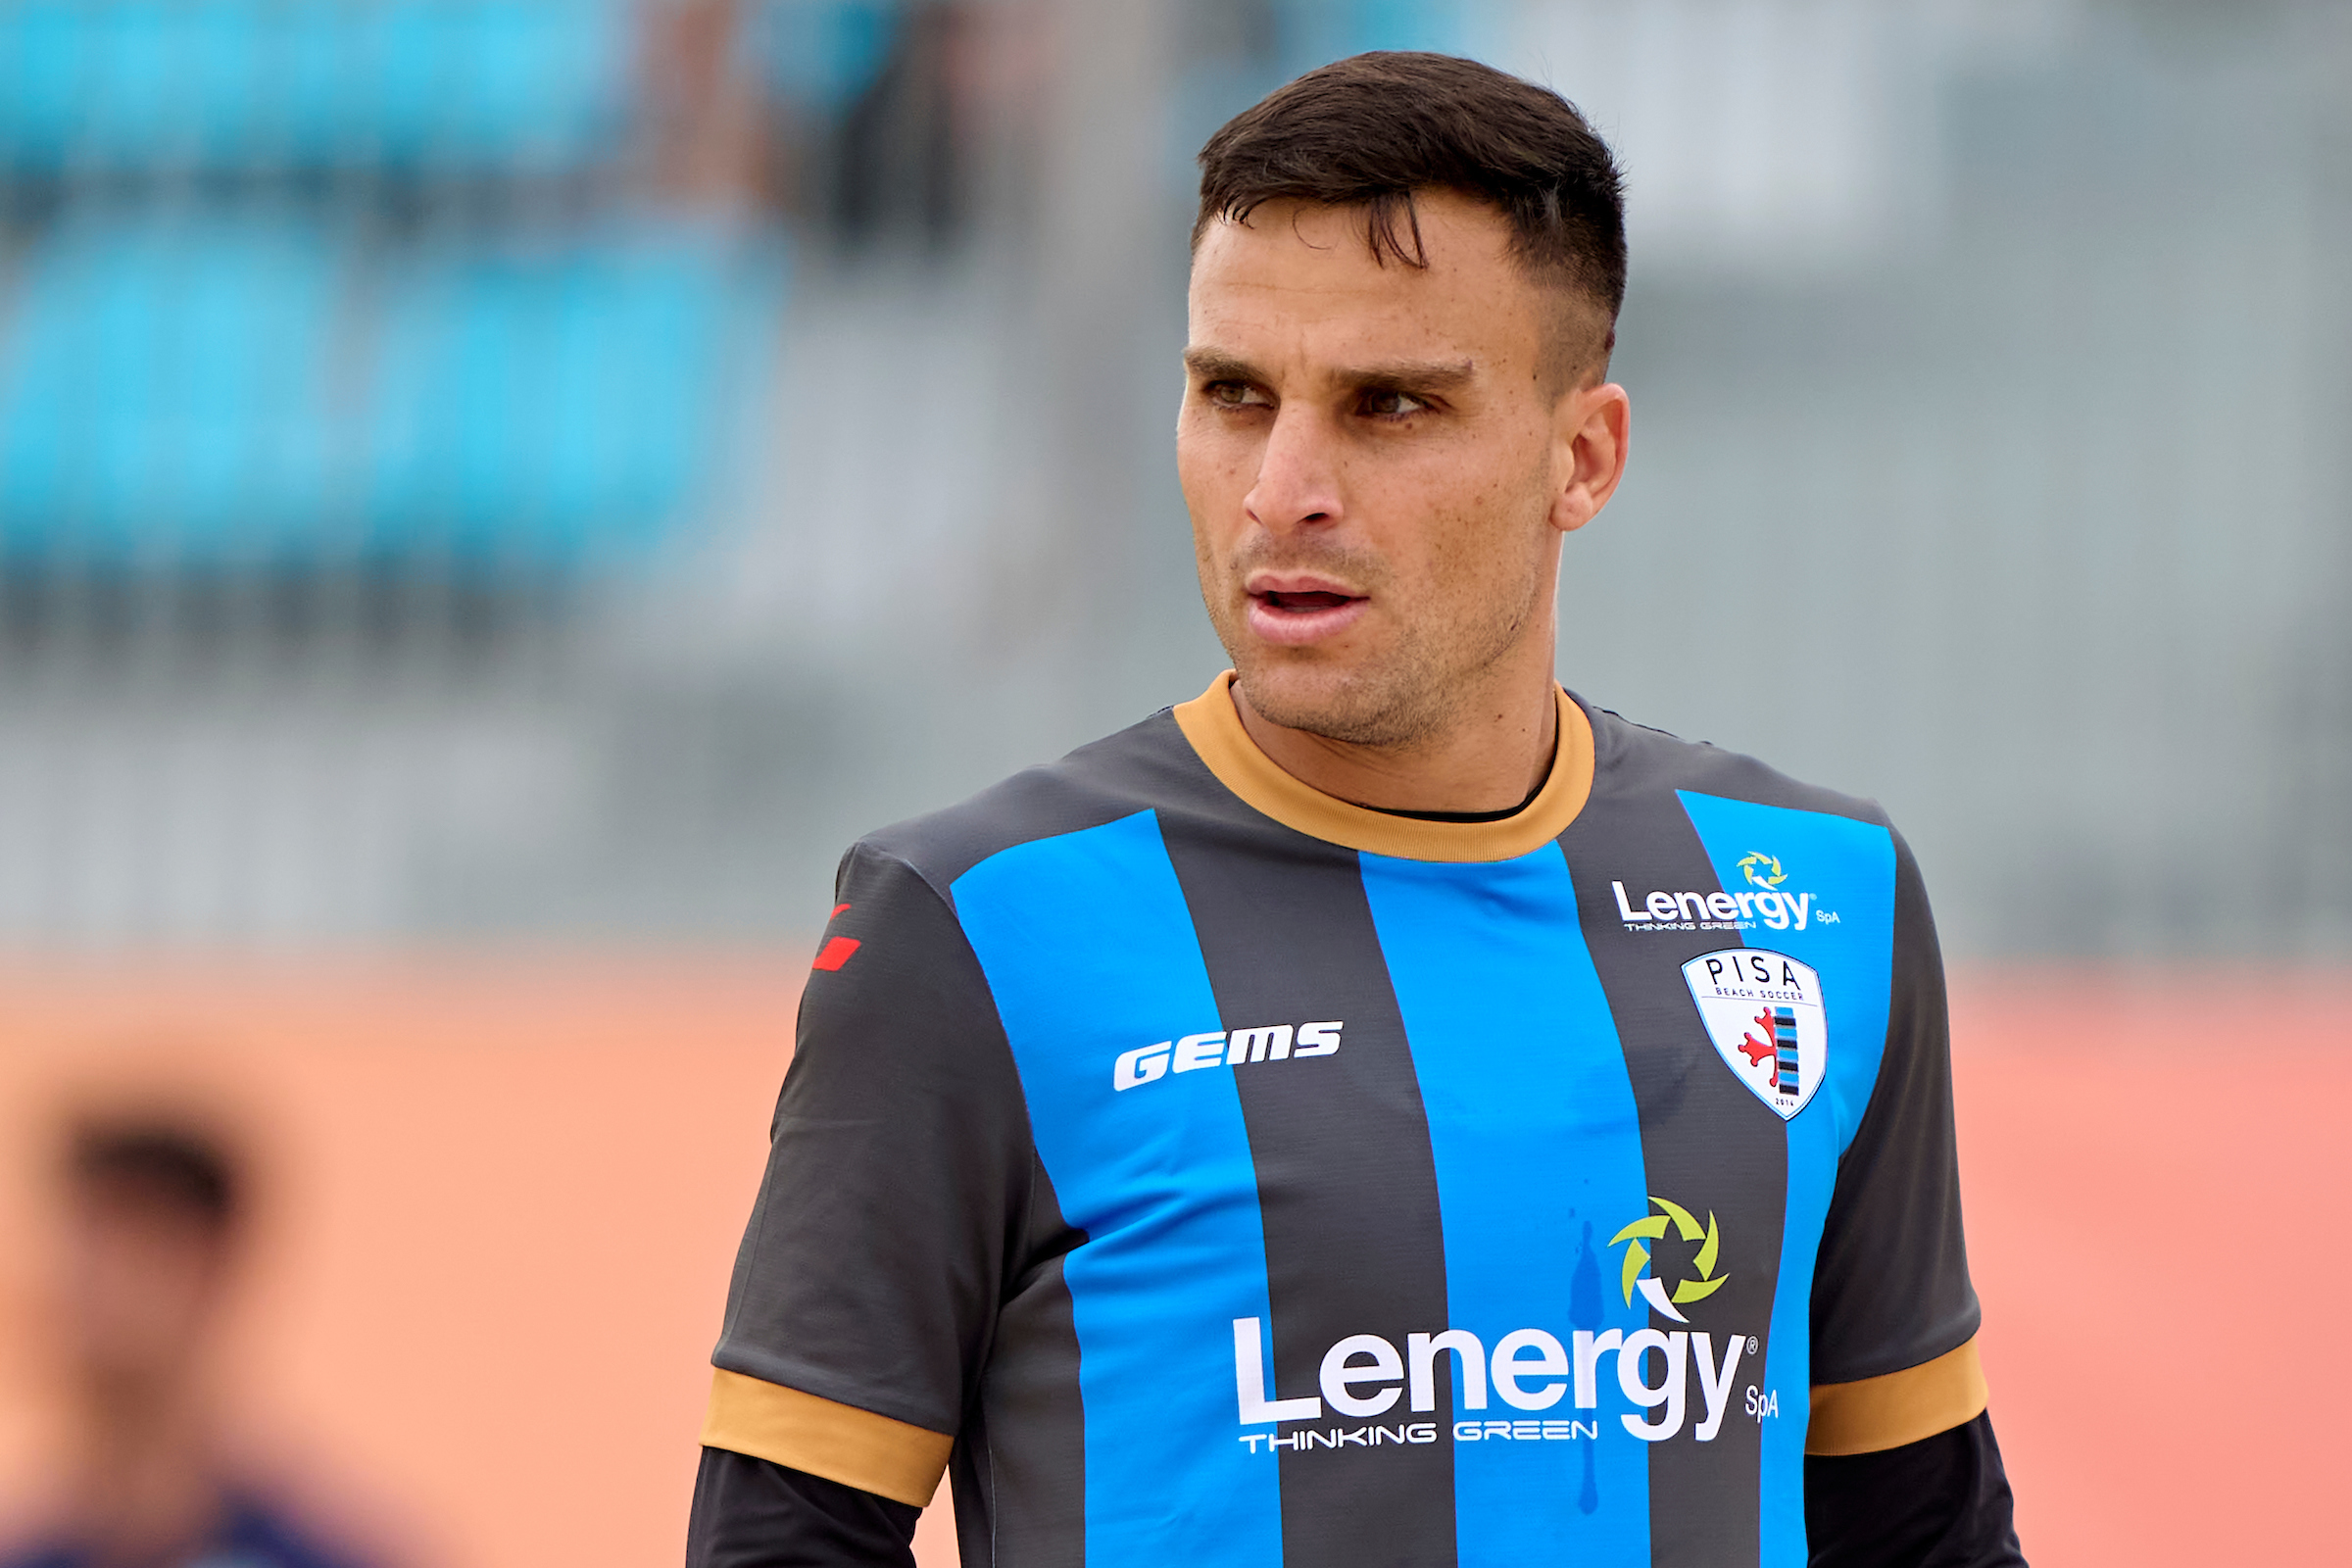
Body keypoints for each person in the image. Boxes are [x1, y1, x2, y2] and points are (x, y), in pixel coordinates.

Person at [688, 51, 2024, 1568]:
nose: (1282, 490)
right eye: (1233, 395)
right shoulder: (976, 927)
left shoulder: (1821, 896)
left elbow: (1922, 1536)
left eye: (1389, 405)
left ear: (1583, 457)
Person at [3, 1117, 379, 1568]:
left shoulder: (313, 1554)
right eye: (80, 1241)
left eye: (133, 1242)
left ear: (210, 1267)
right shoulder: (29, 1553)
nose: (89, 1282)